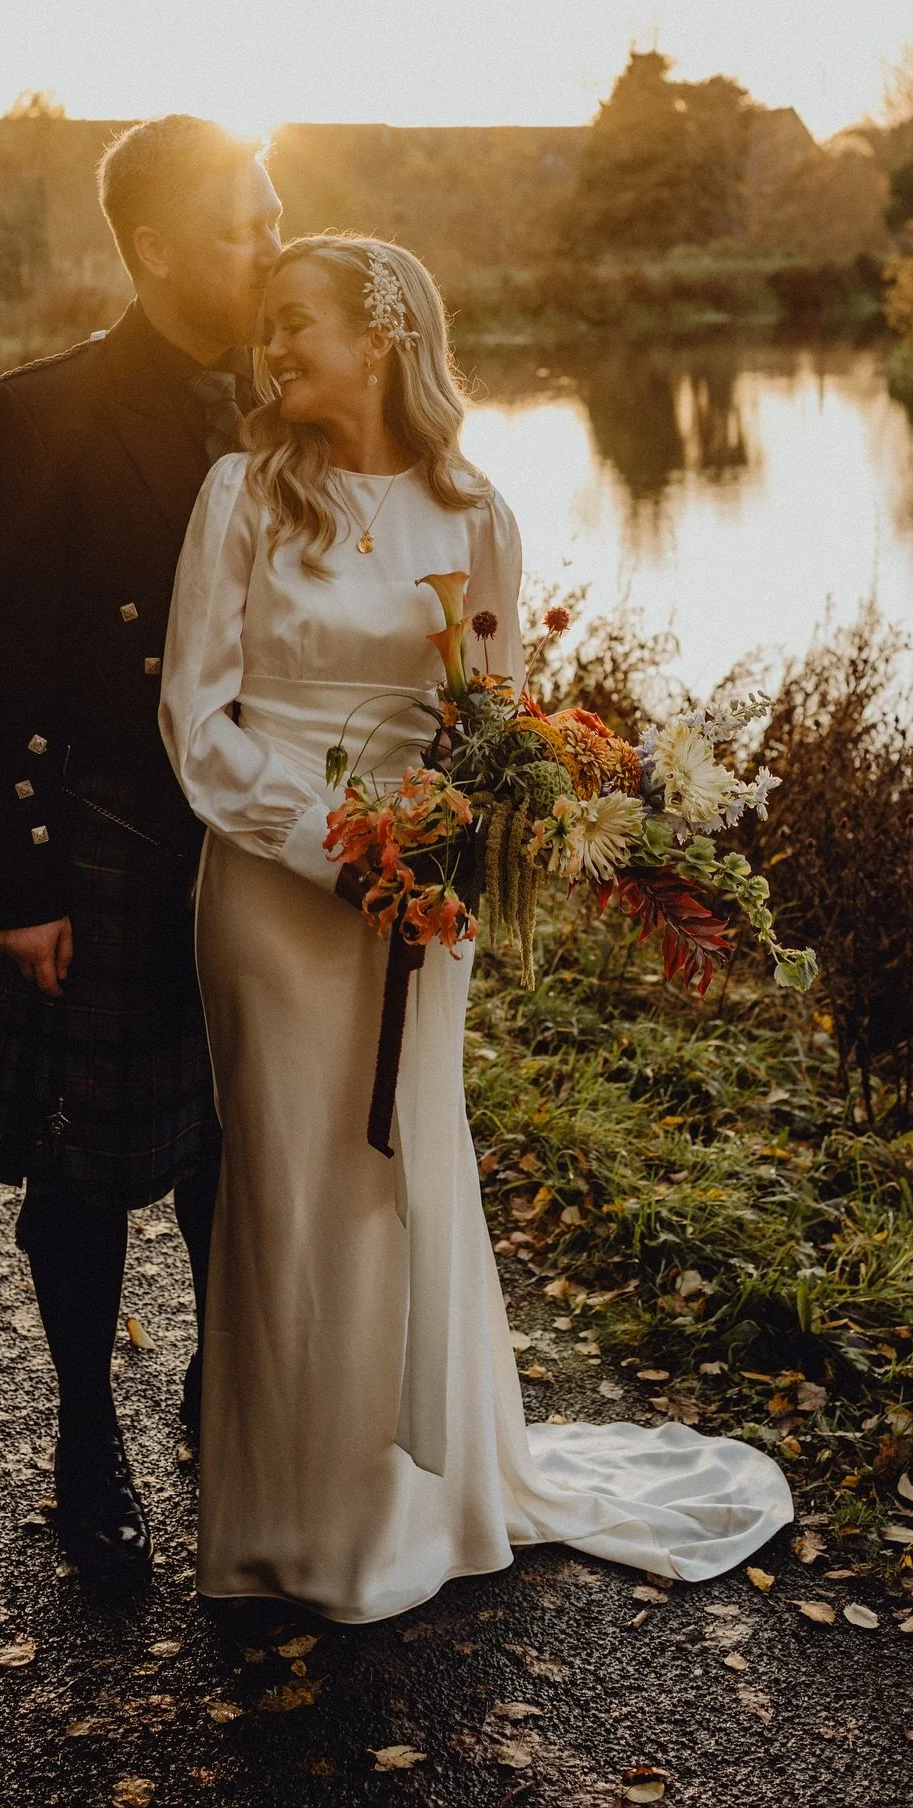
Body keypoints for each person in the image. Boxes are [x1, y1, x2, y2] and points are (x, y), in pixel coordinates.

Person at [159, 234, 793, 1623]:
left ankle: (418, 1501)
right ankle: (286, 1528)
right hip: (278, 897)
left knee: (407, 1177)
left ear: (383, 333)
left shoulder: (480, 510)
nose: (272, 353)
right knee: (286, 1192)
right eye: (268, 330)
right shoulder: (244, 496)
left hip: (423, 913)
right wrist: (337, 849)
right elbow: (195, 722)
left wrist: (460, 843)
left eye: (295, 326)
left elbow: (497, 723)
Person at [0, 115, 282, 1592]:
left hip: (268, 850)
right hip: (112, 834)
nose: (270, 246)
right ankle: (87, 1435)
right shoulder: (49, 413)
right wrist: (21, 888)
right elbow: (3, 657)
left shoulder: (300, 401)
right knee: (91, 1169)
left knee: (237, 1148)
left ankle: (223, 1396)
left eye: (277, 219)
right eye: (240, 227)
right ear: (153, 248)